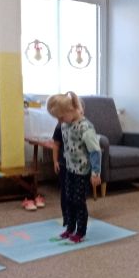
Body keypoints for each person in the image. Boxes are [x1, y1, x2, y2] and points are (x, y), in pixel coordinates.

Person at [46, 92, 101, 244]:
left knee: (78, 201)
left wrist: (96, 173)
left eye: (61, 117)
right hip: (69, 168)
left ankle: (80, 232)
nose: (59, 121)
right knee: (68, 199)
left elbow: (95, 151)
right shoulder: (65, 125)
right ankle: (70, 228)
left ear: (71, 110)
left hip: (82, 172)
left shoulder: (85, 127)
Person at [52, 121, 68, 227]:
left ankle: (76, 215)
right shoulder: (60, 127)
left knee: (77, 192)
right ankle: (66, 217)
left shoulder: (81, 125)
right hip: (63, 164)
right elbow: (56, 145)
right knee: (65, 191)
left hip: (77, 166)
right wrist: (55, 161)